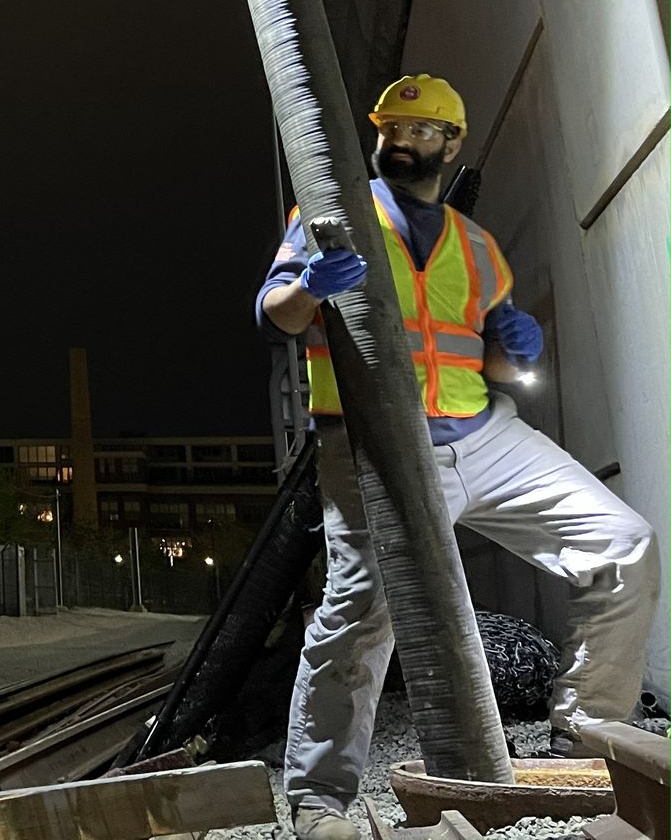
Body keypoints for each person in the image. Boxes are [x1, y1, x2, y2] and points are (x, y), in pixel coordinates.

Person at [257, 75, 658, 840]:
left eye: (419, 130)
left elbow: (494, 350)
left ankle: (585, 734)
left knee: (624, 545)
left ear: (451, 143)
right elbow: (275, 312)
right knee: (364, 608)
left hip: (482, 434)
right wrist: (309, 286)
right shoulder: (333, 213)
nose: (399, 141)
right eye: (390, 129)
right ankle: (319, 800)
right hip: (374, 443)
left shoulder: (474, 245)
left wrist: (514, 343)